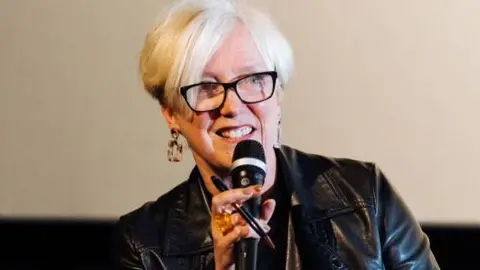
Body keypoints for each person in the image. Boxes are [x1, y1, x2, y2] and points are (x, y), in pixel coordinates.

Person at [110, 0, 439, 269]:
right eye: (207, 86)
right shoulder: (145, 243)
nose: (233, 105)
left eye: (252, 79)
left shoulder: (364, 196)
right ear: (171, 113)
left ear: (278, 93)